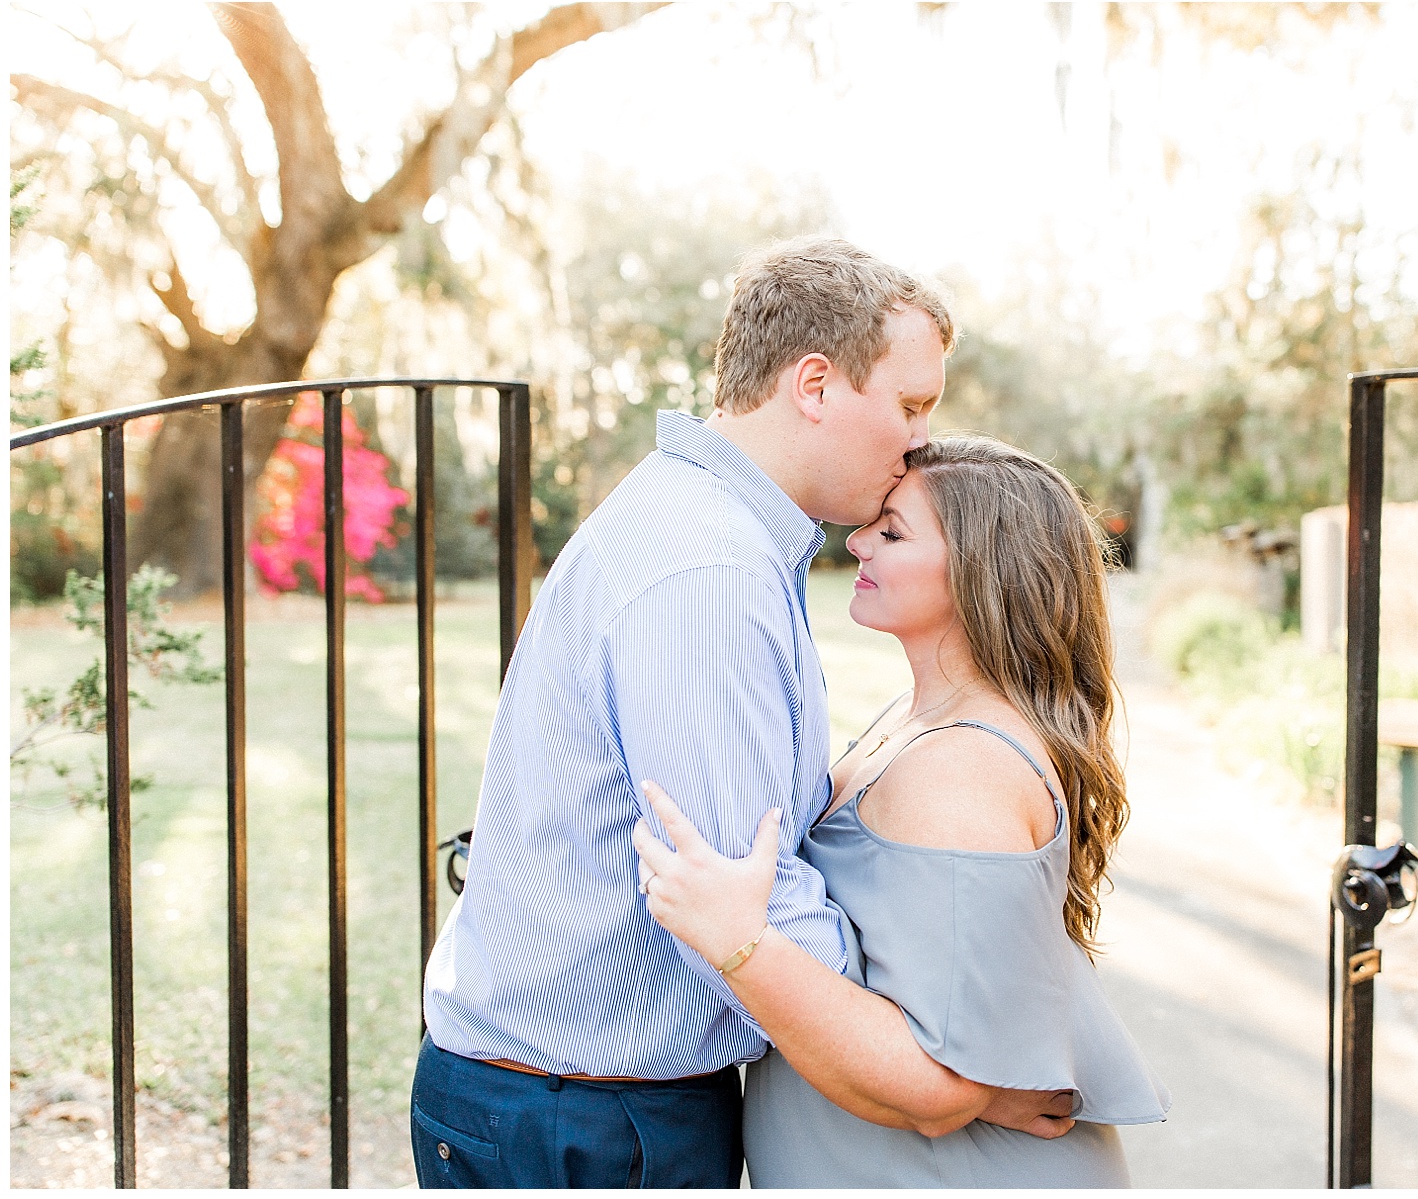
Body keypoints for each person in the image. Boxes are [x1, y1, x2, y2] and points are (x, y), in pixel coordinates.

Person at [411, 239, 1072, 1189]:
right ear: (815, 383)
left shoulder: (717, 535)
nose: (921, 440)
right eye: (911, 403)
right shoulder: (707, 569)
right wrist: (945, 1071)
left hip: (580, 1104)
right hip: (582, 1122)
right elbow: (747, 896)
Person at [635, 434, 1172, 1187]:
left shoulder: (961, 770)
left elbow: (939, 1087)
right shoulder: (918, 717)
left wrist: (738, 941)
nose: (855, 540)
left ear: (984, 573)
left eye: (892, 532)